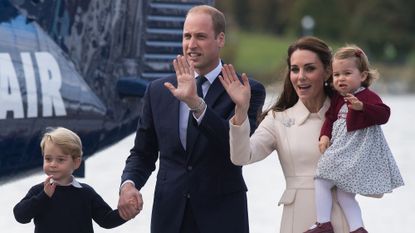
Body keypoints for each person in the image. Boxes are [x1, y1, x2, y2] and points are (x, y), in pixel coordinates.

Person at [117, 5, 266, 233]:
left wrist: (197, 105)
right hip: (170, 217)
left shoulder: (247, 90)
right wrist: (128, 185)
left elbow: (237, 150)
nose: (191, 44)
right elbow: (142, 153)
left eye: (200, 37)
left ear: (220, 39)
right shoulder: (158, 90)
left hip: (222, 218)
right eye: (187, 36)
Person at [219, 36, 350, 233]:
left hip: (342, 219)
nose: (301, 76)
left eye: (310, 68)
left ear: (328, 72)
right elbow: (241, 157)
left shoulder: (348, 114)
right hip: (297, 221)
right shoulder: (278, 119)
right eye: (295, 69)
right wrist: (241, 110)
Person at [304, 45, 404, 233]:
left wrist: (362, 107)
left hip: (356, 152)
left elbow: (384, 115)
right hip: (342, 149)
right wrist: (324, 135)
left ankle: (323, 223)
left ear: (363, 76)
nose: (341, 79)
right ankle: (358, 229)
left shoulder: (368, 96)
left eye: (347, 73)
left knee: (321, 178)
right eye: (336, 75)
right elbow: (330, 118)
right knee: (344, 195)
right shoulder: (338, 98)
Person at [13, 127, 126, 233]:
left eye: (60, 160)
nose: (53, 164)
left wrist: (126, 213)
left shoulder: (86, 193)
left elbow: (106, 219)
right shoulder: (39, 191)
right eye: (48, 159)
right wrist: (44, 196)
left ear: (76, 162)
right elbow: (20, 216)